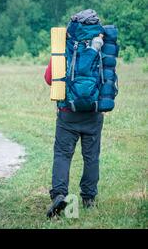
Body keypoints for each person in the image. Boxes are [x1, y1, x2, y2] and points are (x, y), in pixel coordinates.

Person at [44, 57, 104, 218]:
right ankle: (89, 199)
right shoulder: (99, 49)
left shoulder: (62, 50)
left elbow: (49, 79)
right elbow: (107, 78)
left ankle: (59, 195)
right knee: (91, 157)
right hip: (93, 112)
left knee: (62, 155)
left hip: (67, 113)